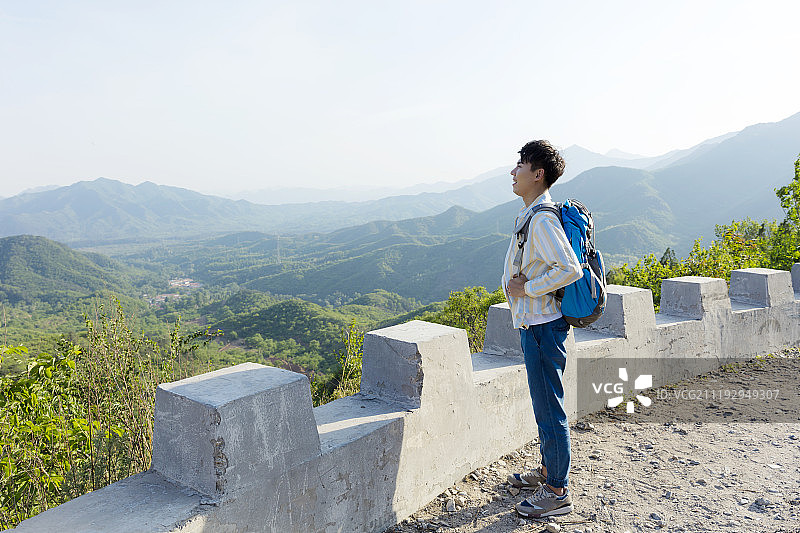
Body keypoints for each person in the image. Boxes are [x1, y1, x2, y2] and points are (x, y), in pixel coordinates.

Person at [501, 140, 582, 518]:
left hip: (542, 327)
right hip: (535, 325)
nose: (513, 171)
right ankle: (549, 472)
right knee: (545, 405)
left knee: (550, 409)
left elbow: (570, 268)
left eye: (521, 165)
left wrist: (526, 289)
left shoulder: (544, 218)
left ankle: (557, 492)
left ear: (538, 174)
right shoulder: (532, 214)